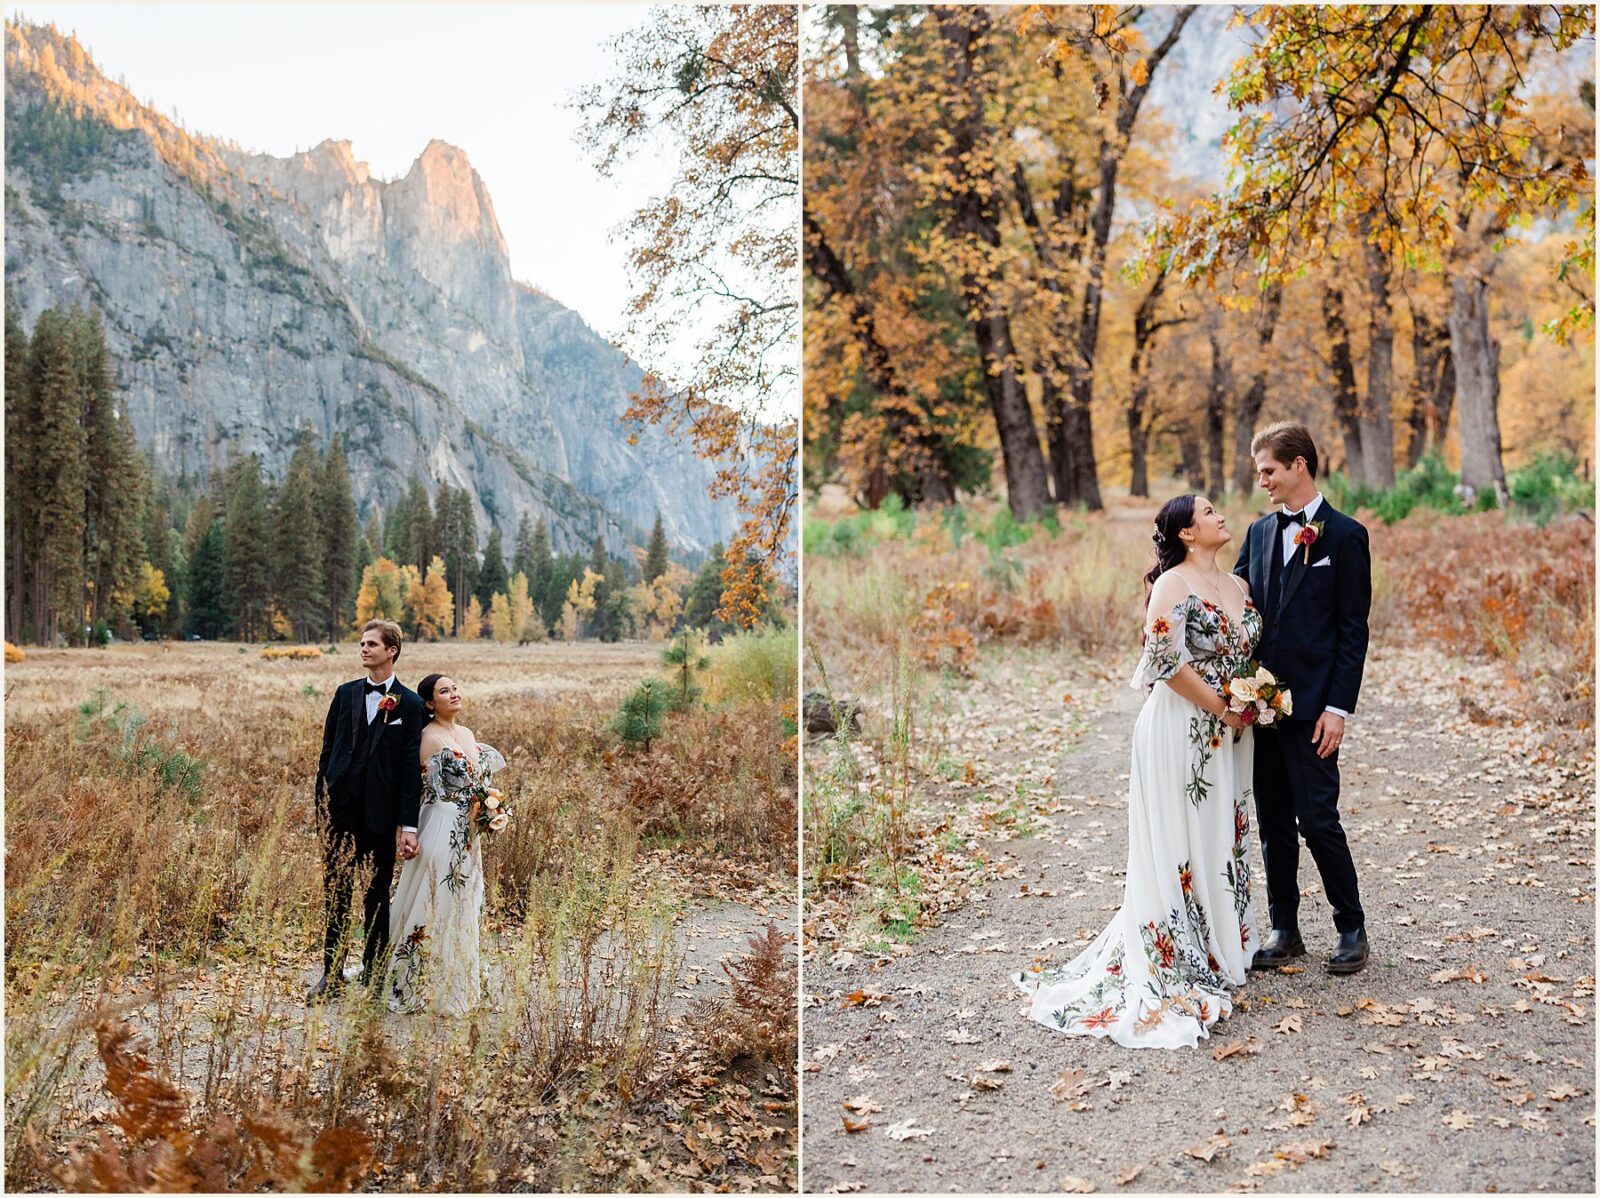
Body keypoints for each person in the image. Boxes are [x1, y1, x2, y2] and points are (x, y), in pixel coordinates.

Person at [1017, 495, 1261, 1049]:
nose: (1220, 515)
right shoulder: (1172, 586)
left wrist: (1255, 698)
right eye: (1207, 512)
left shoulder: (1241, 587)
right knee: (1181, 838)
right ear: (1186, 534)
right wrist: (1224, 705)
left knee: (1221, 837)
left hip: (1230, 736)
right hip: (1179, 728)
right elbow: (1164, 664)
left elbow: (1241, 656)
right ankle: (1180, 951)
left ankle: (1224, 945)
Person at [1235, 422, 1371, 974]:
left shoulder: (1345, 536)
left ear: (1299, 466)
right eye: (1259, 471)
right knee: (1272, 821)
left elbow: (1351, 631)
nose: (1262, 480)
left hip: (1316, 709)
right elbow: (1237, 608)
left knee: (1317, 819)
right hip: (1262, 706)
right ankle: (1284, 928)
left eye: (1268, 470)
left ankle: (1351, 926)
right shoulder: (1258, 533)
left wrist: (1338, 709)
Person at [309, 619, 424, 1003]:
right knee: (336, 894)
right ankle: (332, 974)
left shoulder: (409, 704)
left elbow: (410, 771)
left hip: (379, 818)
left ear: (391, 650)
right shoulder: (344, 695)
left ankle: (374, 977)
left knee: (376, 897)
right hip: (339, 815)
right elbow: (327, 753)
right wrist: (321, 805)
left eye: (371, 644)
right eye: (361, 643)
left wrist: (408, 824)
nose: (363, 649)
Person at [384, 673, 505, 1015]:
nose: (453, 694)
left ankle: (457, 976)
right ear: (429, 702)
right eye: (444, 691)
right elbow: (410, 787)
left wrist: (490, 808)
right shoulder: (427, 737)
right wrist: (402, 829)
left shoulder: (466, 734)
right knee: (435, 897)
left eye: (455, 688)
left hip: (468, 835)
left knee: (465, 900)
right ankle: (417, 980)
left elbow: (478, 785)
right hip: (439, 825)